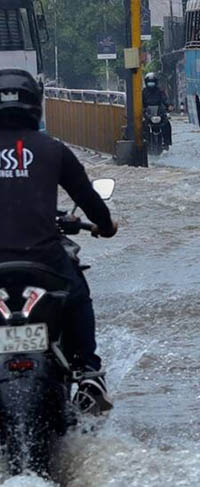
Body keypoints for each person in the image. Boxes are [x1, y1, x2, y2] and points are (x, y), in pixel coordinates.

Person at [0, 68, 118, 414]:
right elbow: (89, 197)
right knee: (78, 295)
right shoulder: (53, 150)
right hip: (45, 262)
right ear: (36, 104)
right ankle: (88, 373)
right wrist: (105, 226)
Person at [142, 72, 173, 148]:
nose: (151, 84)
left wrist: (169, 105)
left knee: (167, 124)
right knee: (142, 126)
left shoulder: (160, 91)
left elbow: (165, 99)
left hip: (158, 112)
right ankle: (144, 141)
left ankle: (166, 142)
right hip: (147, 113)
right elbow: (140, 102)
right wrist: (142, 109)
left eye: (152, 82)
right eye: (149, 82)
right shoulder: (143, 92)